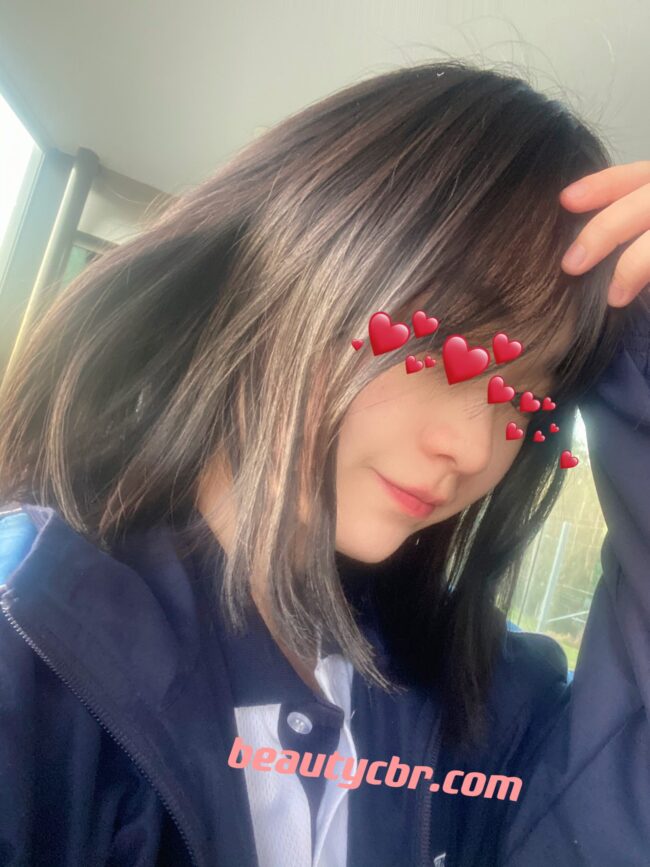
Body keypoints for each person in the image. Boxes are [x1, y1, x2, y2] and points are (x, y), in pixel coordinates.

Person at [0, 60, 648, 867]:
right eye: (446, 347)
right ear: (292, 267)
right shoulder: (34, 642)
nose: (478, 447)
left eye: (527, 399)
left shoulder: (491, 705)